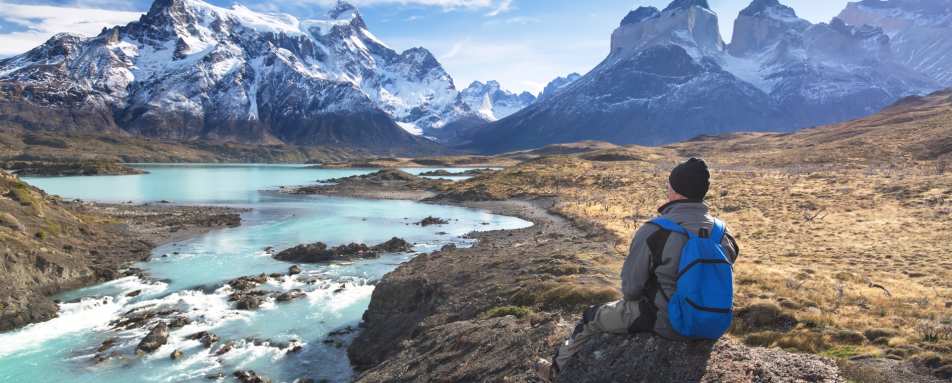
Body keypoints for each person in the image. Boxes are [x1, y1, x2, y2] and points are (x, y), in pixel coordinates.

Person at [533, 158, 740, 382]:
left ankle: (555, 372)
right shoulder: (723, 233)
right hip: (714, 324)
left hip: (667, 323)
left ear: (675, 190)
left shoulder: (656, 230)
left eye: (669, 184)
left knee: (590, 317)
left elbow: (631, 290)